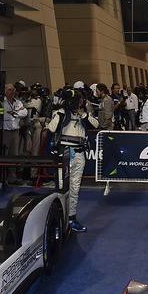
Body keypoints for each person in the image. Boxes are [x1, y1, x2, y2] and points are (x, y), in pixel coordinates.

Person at [47, 88, 98, 232]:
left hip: (80, 154)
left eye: (80, 99)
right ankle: (60, 219)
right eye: (77, 99)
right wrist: (61, 110)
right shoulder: (61, 113)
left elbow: (95, 125)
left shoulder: (85, 114)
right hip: (65, 154)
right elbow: (51, 128)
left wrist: (82, 113)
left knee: (75, 188)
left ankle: (72, 218)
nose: (78, 101)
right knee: (62, 189)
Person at [3, 84, 28, 184]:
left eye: (13, 90)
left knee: (15, 155)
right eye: (9, 90)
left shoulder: (18, 102)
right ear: (5, 91)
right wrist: (17, 113)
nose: (12, 92)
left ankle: (12, 178)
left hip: (15, 132)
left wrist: (12, 113)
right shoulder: (2, 102)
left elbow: (25, 113)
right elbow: (3, 115)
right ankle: (3, 178)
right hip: (5, 132)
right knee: (4, 155)